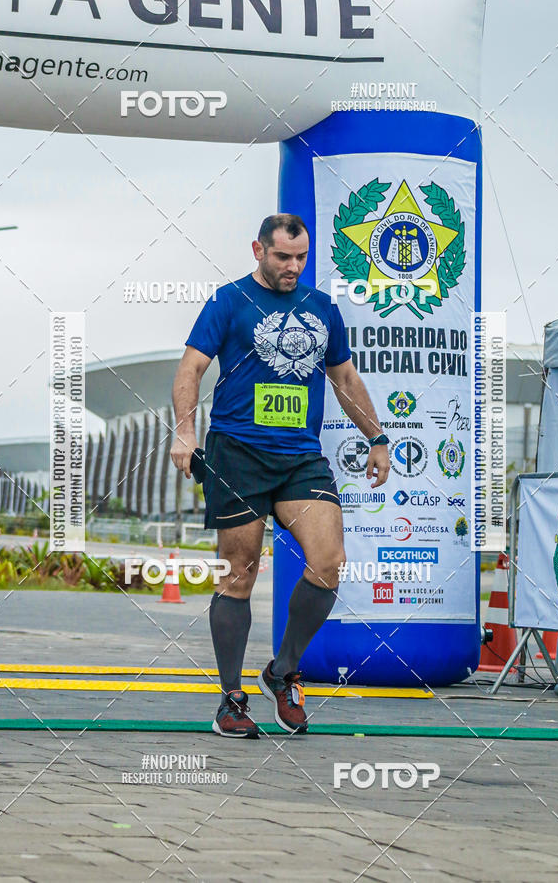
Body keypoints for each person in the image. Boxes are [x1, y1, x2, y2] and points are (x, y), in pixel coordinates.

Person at [170, 214, 389, 738]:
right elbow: (190, 369)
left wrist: (376, 436)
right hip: (237, 453)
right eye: (282, 257)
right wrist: (184, 432)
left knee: (329, 562)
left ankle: (283, 670)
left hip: (299, 456)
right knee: (238, 570)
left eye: (301, 258)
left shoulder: (321, 308)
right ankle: (230, 700)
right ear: (258, 251)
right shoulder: (229, 301)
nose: (293, 267)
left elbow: (344, 377)